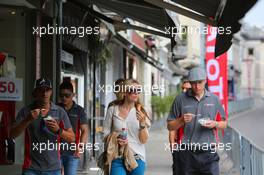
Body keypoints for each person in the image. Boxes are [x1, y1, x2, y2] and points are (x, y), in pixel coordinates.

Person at [167, 67, 227, 175]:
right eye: (193, 83)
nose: (197, 86)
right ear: (189, 83)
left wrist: (215, 124)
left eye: (200, 82)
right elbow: (170, 126)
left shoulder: (214, 99)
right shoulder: (180, 99)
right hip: (186, 154)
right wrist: (181, 120)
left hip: (209, 154)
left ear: (205, 80)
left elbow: (224, 124)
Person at [10, 78, 75, 175]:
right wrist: (27, 120)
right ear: (35, 92)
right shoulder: (26, 111)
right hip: (31, 167)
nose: (45, 93)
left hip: (53, 168)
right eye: (41, 90)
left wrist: (58, 130)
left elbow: (72, 138)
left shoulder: (60, 112)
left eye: (47, 90)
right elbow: (12, 134)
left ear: (51, 92)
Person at [104, 79, 151, 175]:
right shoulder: (113, 110)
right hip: (117, 156)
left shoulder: (142, 111)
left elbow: (144, 140)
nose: (135, 93)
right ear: (124, 92)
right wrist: (115, 139)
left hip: (136, 158)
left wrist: (142, 123)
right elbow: (105, 133)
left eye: (138, 90)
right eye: (132, 90)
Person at [58, 81, 89, 175]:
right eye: (61, 95)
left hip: (72, 152)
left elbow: (85, 130)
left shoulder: (79, 110)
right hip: (56, 151)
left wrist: (80, 148)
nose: (64, 98)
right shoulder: (55, 108)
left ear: (73, 95)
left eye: (67, 95)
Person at [168, 79, 191, 175]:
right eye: (183, 88)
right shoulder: (178, 102)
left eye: (187, 88)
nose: (184, 91)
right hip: (180, 145)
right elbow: (171, 126)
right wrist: (172, 145)